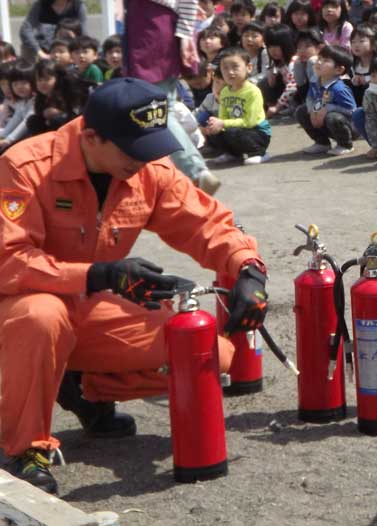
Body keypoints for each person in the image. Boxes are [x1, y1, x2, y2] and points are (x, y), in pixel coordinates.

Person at [0, 78, 269, 494]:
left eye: (151, 146)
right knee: (41, 317)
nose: (144, 160)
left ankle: (80, 387)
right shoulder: (25, 165)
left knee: (210, 354)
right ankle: (22, 449)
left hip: (84, 305)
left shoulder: (147, 169)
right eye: (133, 149)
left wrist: (248, 268)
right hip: (18, 310)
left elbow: (206, 225)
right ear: (91, 137)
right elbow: (8, 262)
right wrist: (100, 276)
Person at [116, 0, 218, 194]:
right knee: (165, 102)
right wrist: (185, 30)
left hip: (146, 30)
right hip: (176, 30)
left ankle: (194, 168)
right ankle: (175, 171)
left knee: (155, 107)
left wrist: (173, 6)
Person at [202, 47, 271, 165]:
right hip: (236, 129)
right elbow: (223, 117)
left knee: (231, 130)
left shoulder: (252, 91)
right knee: (213, 131)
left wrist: (223, 124)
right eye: (225, 68)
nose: (230, 72)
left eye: (235, 67)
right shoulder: (225, 92)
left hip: (257, 132)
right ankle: (232, 154)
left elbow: (250, 122)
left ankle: (259, 153)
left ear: (248, 67)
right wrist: (215, 125)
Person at [295, 45, 356, 156]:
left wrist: (327, 109)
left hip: (348, 126)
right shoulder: (315, 81)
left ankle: (346, 144)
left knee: (332, 117)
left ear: (339, 69)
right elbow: (310, 98)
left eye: (325, 60)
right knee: (302, 111)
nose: (319, 63)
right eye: (319, 59)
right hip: (322, 120)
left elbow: (351, 110)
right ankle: (322, 143)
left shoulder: (339, 88)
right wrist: (313, 111)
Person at [19, 0, 88, 63]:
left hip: (68, 50)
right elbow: (25, 30)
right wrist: (40, 52)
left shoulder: (78, 6)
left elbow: (83, 35)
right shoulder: (40, 5)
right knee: (26, 46)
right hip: (43, 49)